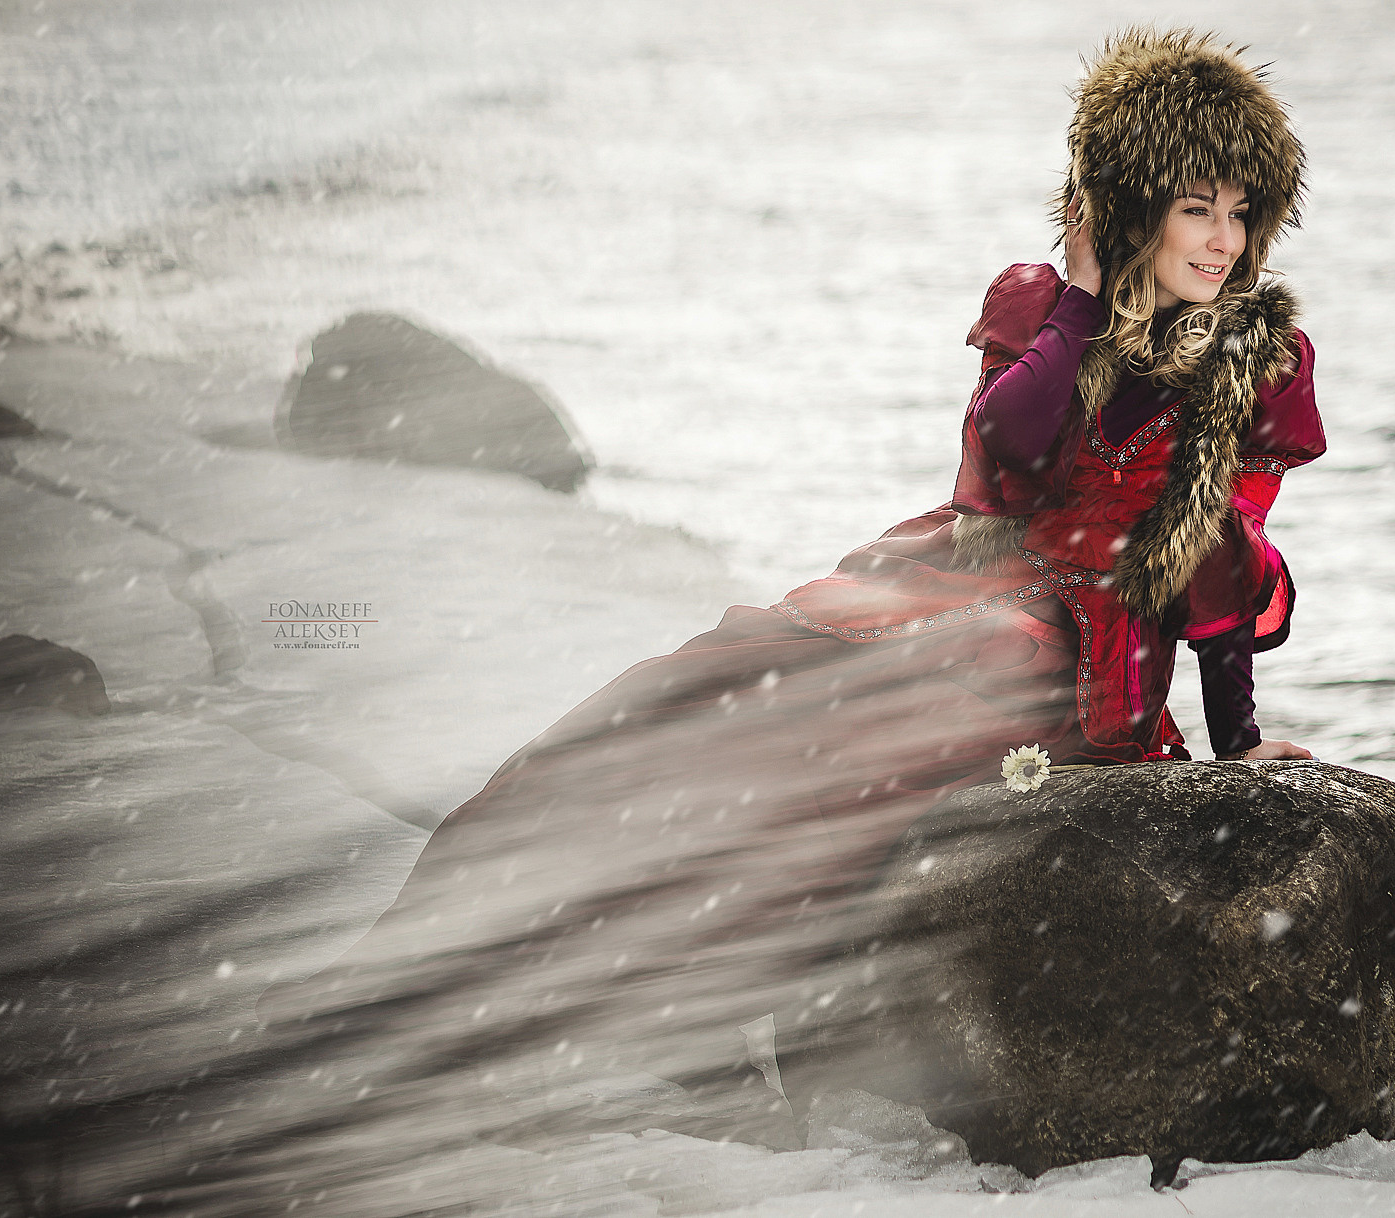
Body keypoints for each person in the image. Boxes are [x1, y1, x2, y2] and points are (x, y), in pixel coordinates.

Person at [269, 26, 1325, 1146]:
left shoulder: (1258, 362)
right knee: (719, 679)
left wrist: (1233, 745)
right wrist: (1076, 300)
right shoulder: (1036, 306)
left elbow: (1219, 565)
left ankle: (636, 978)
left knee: (928, 693)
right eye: (1195, 207)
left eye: (1241, 211)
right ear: (1128, 204)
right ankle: (440, 957)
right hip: (964, 570)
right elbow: (1001, 459)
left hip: (1076, 646)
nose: (1223, 239)